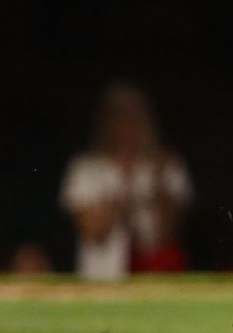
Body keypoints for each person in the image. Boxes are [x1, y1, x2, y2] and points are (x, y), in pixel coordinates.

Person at [59, 82, 192, 281]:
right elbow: (92, 231)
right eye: (119, 118)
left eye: (134, 118)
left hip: (155, 278)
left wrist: (158, 187)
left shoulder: (167, 165)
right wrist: (125, 201)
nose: (127, 126)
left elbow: (169, 234)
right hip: (101, 277)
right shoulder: (86, 168)